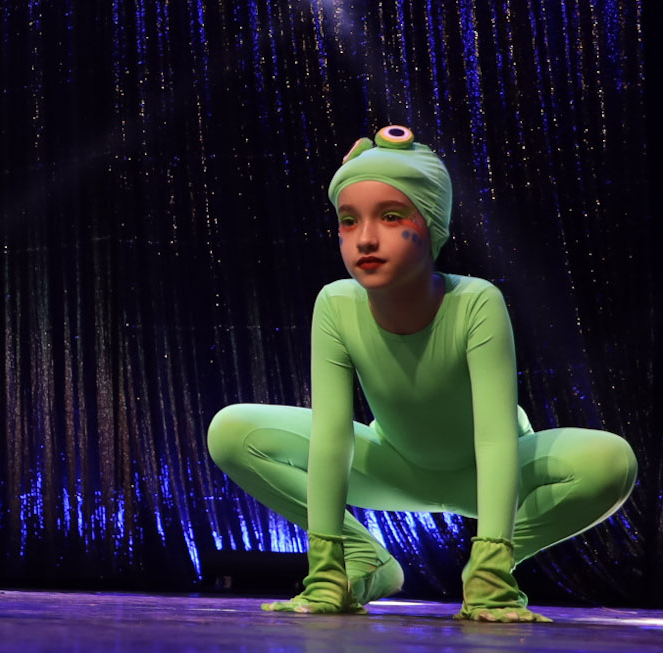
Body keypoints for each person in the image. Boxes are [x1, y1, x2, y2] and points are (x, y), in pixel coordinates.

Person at [206, 127, 638, 621]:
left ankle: (490, 569)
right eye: (349, 221)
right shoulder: (336, 304)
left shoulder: (474, 301)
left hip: (491, 475)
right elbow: (332, 437)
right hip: (394, 466)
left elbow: (495, 439)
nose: (366, 238)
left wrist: (492, 565)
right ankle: (362, 558)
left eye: (391, 217)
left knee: (611, 462)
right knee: (232, 432)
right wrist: (326, 571)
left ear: (432, 224)